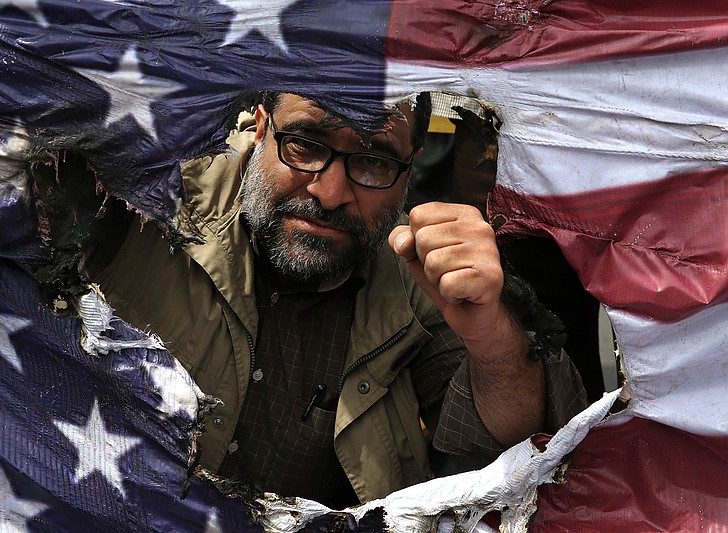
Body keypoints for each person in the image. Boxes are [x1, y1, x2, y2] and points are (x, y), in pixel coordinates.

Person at [84, 92, 587, 509]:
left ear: (409, 172)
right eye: (305, 143)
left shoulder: (415, 277)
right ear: (259, 126)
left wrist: (491, 333)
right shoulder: (143, 195)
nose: (329, 193)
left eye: (372, 160)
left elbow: (523, 445)